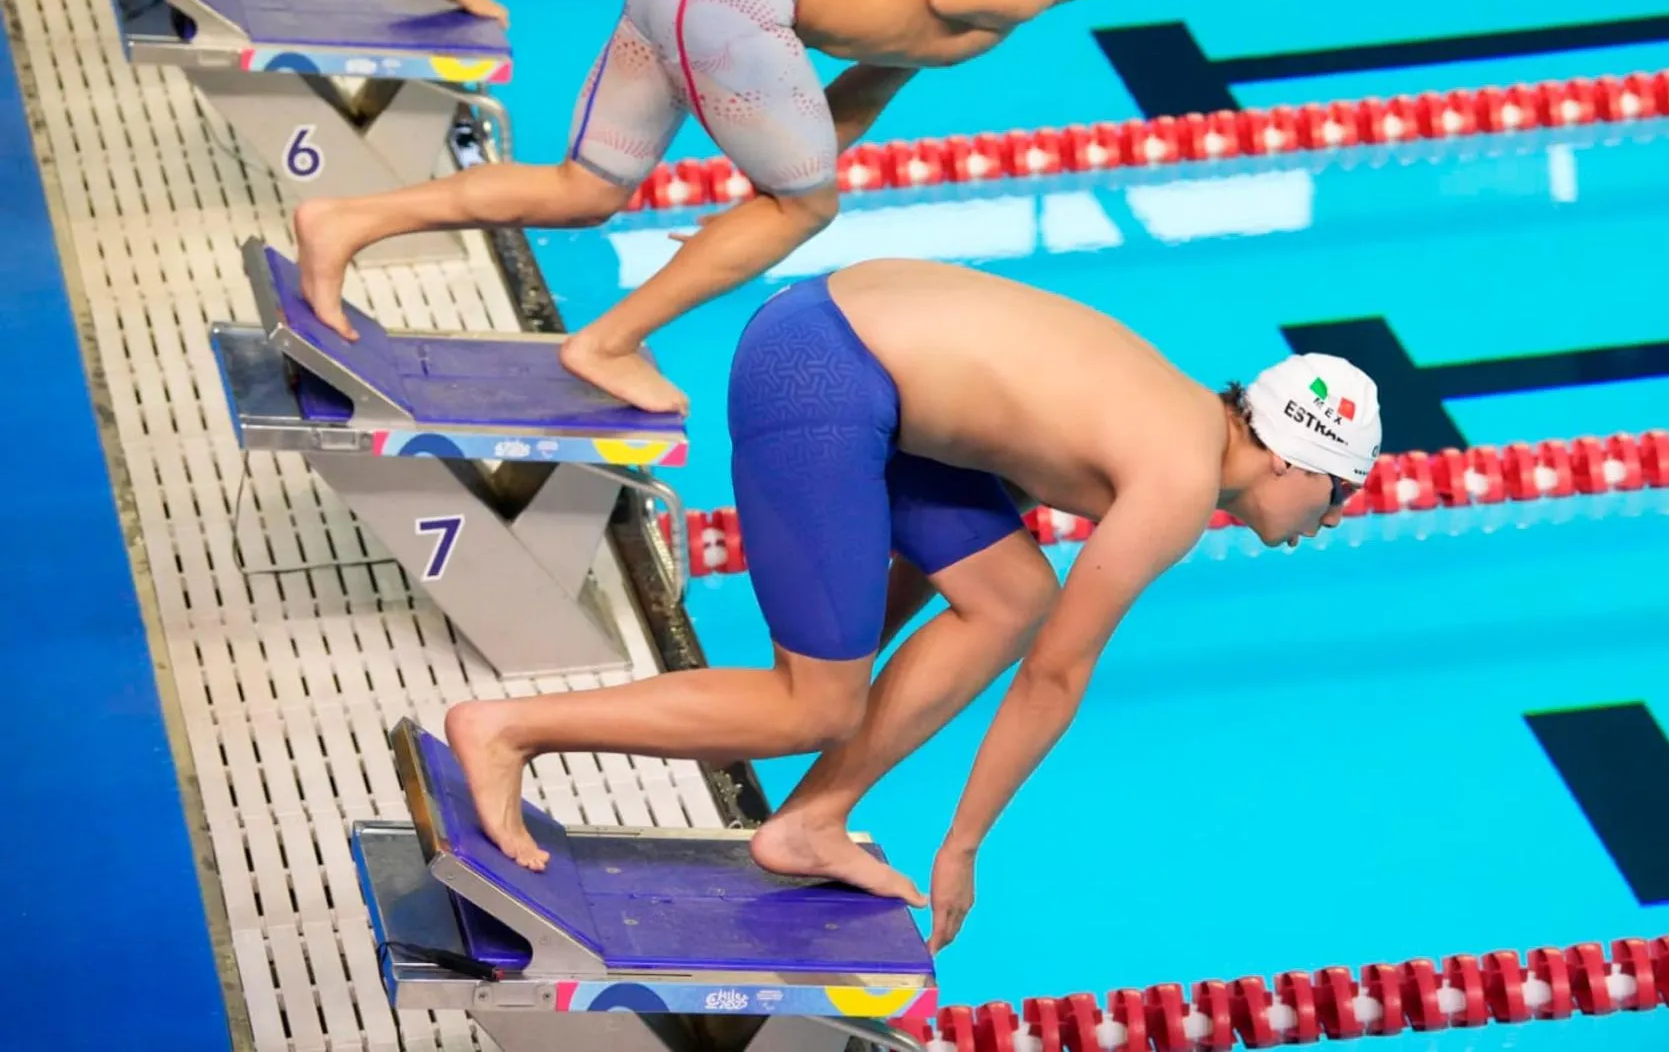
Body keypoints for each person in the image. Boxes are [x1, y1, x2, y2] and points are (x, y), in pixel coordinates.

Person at [442, 259, 1383, 952]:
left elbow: (959, 541)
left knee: (1011, 593)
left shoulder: (1165, 411)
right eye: (1340, 495)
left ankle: (807, 823)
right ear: (1297, 460)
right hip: (823, 373)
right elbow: (1057, 673)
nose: (1331, 520)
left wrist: (861, 639)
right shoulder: (1178, 478)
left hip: (837, 337)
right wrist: (962, 843)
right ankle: (510, 729)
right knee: (812, 702)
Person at [299, 0, 1106, 415]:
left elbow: (863, 88)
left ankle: (345, 221)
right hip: (734, 6)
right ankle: (606, 344)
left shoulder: (986, 26)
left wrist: (767, 201)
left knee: (584, 190)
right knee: (810, 208)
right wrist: (784, 204)